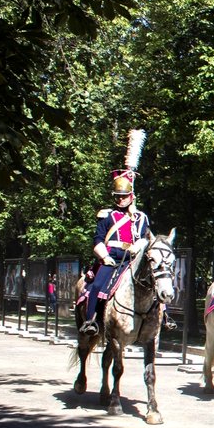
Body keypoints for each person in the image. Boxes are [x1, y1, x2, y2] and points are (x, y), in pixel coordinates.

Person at [80, 130, 151, 336]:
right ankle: (91, 320)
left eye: (124, 196)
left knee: (154, 285)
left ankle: (160, 319)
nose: (121, 200)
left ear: (131, 196)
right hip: (112, 258)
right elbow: (98, 239)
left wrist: (140, 247)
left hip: (132, 258)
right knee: (97, 287)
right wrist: (105, 257)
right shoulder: (107, 216)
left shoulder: (141, 218)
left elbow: (146, 239)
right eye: (118, 197)